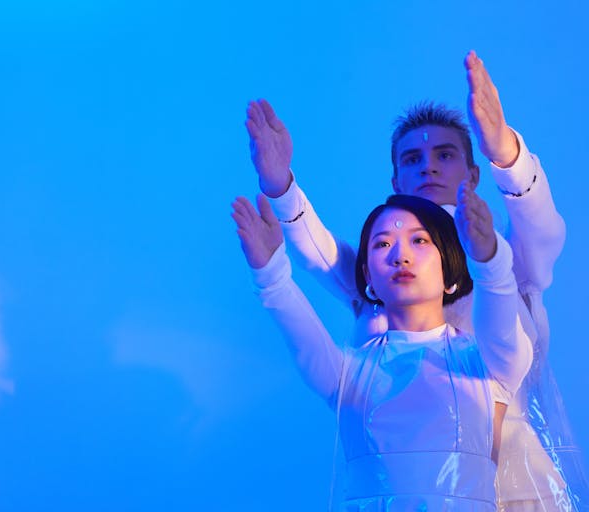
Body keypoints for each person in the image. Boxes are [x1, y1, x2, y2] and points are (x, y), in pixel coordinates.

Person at [245, 51, 586, 510]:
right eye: (413, 157)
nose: (428, 167)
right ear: (395, 176)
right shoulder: (385, 273)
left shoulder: (502, 257)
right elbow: (320, 254)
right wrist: (279, 186)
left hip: (516, 487)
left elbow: (541, 228)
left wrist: (506, 151)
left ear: (472, 172)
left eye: (444, 154)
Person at [231, 187, 532, 510]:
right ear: (367, 276)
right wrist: (270, 273)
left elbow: (499, 319)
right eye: (383, 244)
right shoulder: (347, 374)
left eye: (420, 241)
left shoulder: (488, 363)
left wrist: (490, 260)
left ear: (450, 269)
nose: (400, 256)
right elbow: (296, 328)